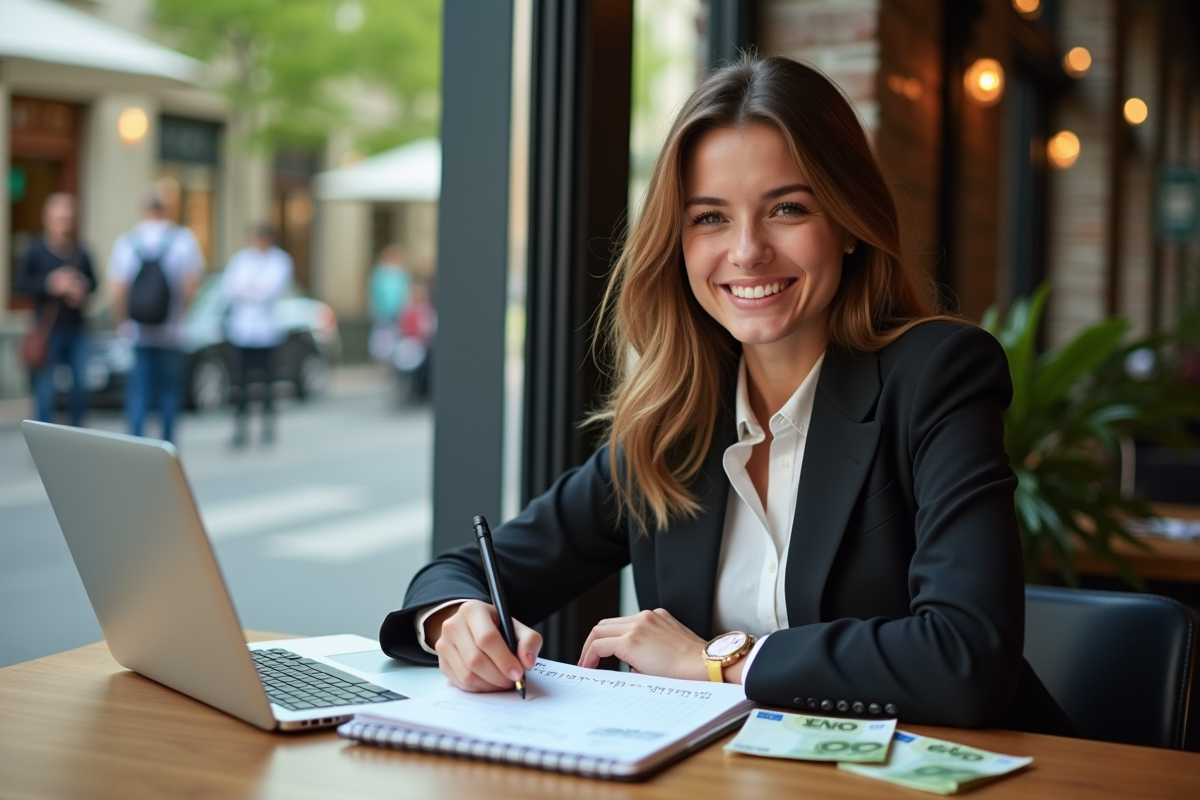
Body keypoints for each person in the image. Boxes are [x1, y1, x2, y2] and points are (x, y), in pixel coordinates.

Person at [380, 56, 1074, 736]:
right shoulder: (677, 422)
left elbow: (966, 658)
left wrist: (717, 659)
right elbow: (464, 571)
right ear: (677, 242)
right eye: (710, 218)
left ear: (850, 223)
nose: (746, 251)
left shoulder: (936, 376)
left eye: (788, 209)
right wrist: (452, 623)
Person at [108, 191, 205, 443]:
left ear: (143, 210)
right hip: (171, 333)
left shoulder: (128, 241)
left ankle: (136, 447)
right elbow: (191, 284)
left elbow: (118, 290)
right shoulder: (182, 240)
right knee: (169, 393)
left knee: (139, 392)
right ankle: (167, 448)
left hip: (138, 332)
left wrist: (123, 324)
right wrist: (179, 316)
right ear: (167, 210)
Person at [15, 193, 97, 426]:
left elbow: (94, 283)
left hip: (77, 329)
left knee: (80, 386)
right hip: (47, 331)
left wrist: (81, 289)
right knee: (45, 389)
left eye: (68, 217)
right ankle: (45, 444)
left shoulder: (81, 252)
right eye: (59, 216)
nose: (64, 221)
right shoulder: (35, 250)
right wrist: (50, 284)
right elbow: (21, 284)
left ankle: (77, 438)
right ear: (47, 218)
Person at [221, 224, 293, 446]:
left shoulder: (279, 260)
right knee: (240, 383)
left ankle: (268, 428)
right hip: (242, 331)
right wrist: (252, 290)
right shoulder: (240, 260)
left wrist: (249, 290)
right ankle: (240, 430)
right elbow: (230, 289)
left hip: (267, 331)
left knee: (268, 382)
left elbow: (268, 291)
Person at [368, 244, 411, 362]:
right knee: (381, 336)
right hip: (382, 312)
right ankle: (381, 359)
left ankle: (392, 361)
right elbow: (374, 294)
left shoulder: (401, 274)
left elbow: (405, 293)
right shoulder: (379, 273)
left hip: (397, 312)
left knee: (395, 336)